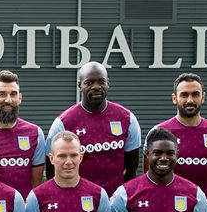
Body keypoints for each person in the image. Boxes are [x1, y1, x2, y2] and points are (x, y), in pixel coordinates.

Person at [47, 62, 141, 194]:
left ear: (108, 83)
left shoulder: (127, 119)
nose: (96, 87)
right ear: (79, 85)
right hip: (77, 201)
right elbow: (53, 171)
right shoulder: (63, 123)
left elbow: (132, 168)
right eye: (89, 82)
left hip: (115, 201)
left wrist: (121, 197)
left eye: (101, 81)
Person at [156, 73, 207, 198]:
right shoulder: (159, 131)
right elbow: (150, 174)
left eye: (195, 94)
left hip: (204, 208)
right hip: (167, 205)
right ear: (174, 98)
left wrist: (205, 198)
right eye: (184, 95)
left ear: (203, 97)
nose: (190, 100)